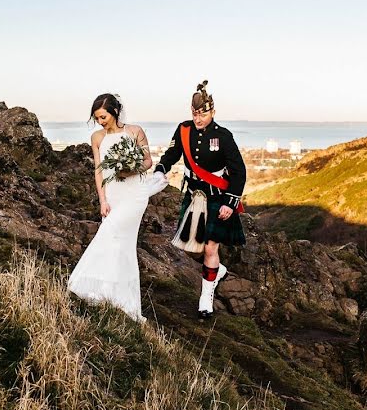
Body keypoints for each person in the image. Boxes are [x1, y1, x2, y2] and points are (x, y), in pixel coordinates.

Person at [67, 93, 167, 322]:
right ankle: (110, 294)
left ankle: (105, 291)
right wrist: (103, 200)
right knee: (115, 242)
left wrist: (130, 169)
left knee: (112, 234)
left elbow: (148, 161)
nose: (100, 121)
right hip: (113, 194)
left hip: (135, 194)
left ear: (114, 112)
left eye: (103, 116)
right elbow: (98, 170)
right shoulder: (97, 138)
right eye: (97, 118)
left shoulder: (134, 131)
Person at [153, 81, 247, 319]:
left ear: (212, 112)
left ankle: (206, 298)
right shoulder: (184, 130)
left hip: (217, 198)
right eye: (194, 113)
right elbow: (173, 153)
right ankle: (218, 270)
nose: (198, 118)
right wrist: (161, 168)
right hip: (194, 196)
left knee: (210, 248)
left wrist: (230, 202)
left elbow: (239, 171)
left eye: (202, 113)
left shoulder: (223, 137)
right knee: (191, 247)